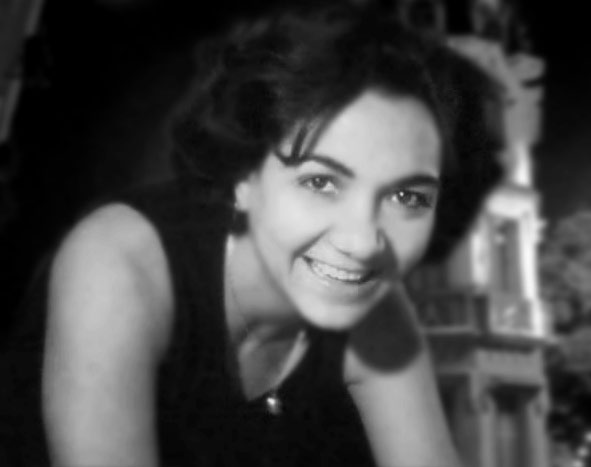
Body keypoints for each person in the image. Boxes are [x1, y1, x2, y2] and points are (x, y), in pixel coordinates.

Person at [1, 2, 505, 466]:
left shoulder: (373, 306)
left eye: (407, 198)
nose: (363, 242)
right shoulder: (117, 263)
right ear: (242, 177)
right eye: (321, 183)